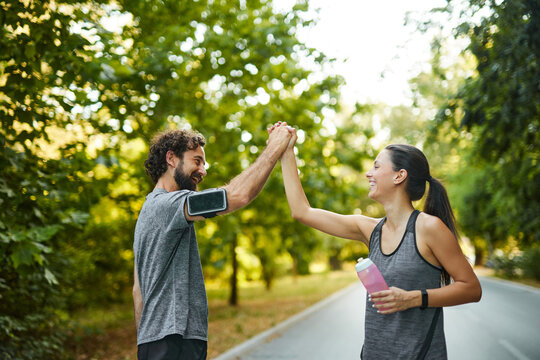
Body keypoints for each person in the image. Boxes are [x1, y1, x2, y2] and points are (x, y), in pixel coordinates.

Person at [272, 123, 482, 359]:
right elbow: (302, 212)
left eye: (376, 166)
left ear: (399, 176)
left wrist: (413, 298)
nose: (368, 173)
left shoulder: (429, 228)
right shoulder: (369, 229)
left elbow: (471, 288)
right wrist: (287, 152)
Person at [133, 123, 293, 360]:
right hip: (172, 341)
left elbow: (138, 291)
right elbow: (237, 196)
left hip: (164, 341)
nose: (203, 170)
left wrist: (146, 341)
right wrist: (274, 148)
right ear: (171, 159)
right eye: (197, 161)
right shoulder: (168, 205)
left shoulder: (150, 212)